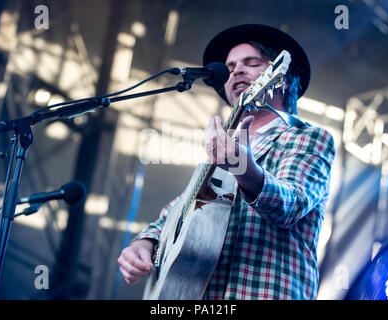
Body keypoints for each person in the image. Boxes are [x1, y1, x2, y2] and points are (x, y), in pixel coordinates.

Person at [117, 24, 335, 299]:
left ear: (284, 78)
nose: (236, 71)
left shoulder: (309, 137)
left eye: (252, 63)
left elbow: (291, 204)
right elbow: (177, 213)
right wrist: (146, 242)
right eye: (230, 68)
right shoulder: (220, 155)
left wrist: (245, 170)